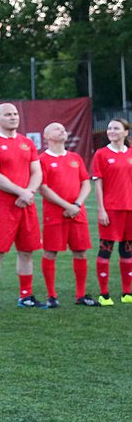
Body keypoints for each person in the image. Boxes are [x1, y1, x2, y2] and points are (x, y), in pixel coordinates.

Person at [0, 103, 44, 309]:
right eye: (8, 114)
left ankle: (26, 295)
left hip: (26, 203)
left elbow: (37, 172)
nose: (13, 117)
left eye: (15, 114)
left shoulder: (26, 142)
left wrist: (29, 192)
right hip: (3, 205)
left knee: (27, 251)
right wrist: (21, 192)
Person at [38, 122, 97, 307]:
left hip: (77, 212)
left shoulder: (75, 158)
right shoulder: (42, 160)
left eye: (63, 128)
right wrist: (67, 206)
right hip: (55, 214)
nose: (62, 130)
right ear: (46, 136)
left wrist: (76, 204)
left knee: (80, 252)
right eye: (57, 129)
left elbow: (86, 183)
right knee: (50, 252)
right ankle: (52, 296)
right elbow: (43, 188)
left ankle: (80, 295)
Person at [91, 118, 132, 305]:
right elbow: (98, 184)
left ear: (125, 132)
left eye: (116, 128)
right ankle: (104, 294)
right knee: (105, 250)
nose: (111, 131)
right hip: (111, 210)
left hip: (129, 210)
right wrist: (101, 209)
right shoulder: (101, 154)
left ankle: (126, 293)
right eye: (109, 128)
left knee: (128, 252)